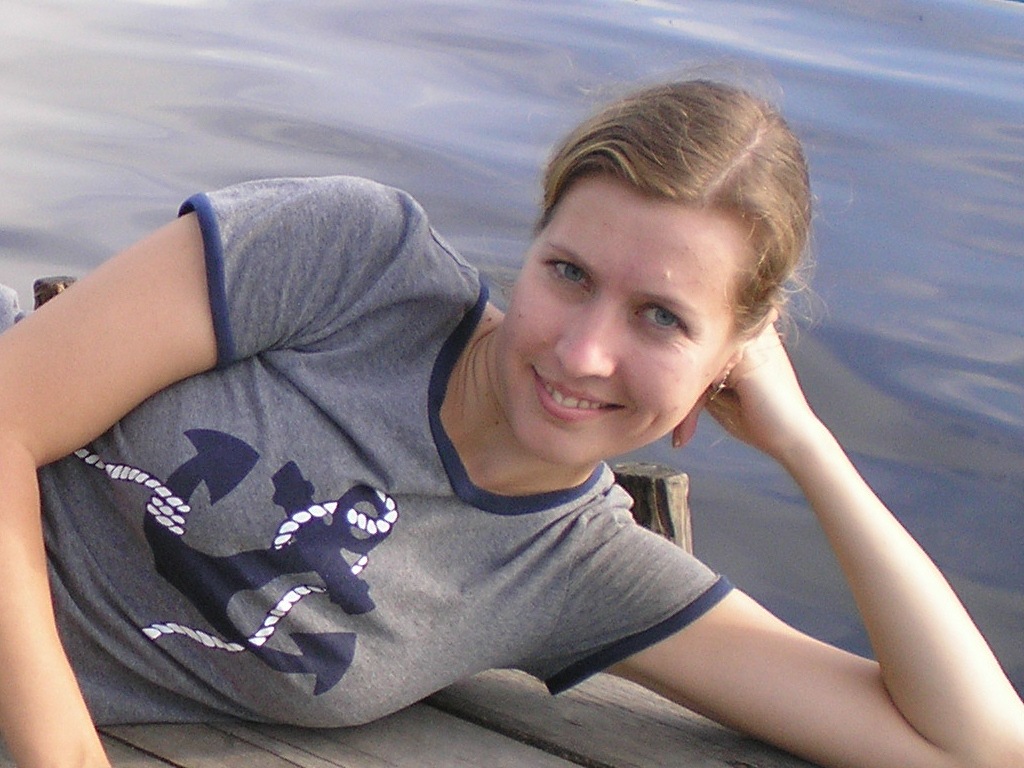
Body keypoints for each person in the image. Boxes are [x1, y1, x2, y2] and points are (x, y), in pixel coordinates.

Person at [0, 80, 1021, 768]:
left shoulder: (577, 572)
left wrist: (807, 447)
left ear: (734, 357)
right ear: (530, 245)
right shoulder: (353, 260)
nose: (582, 351)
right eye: (568, 272)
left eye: (661, 318)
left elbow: (975, 748)